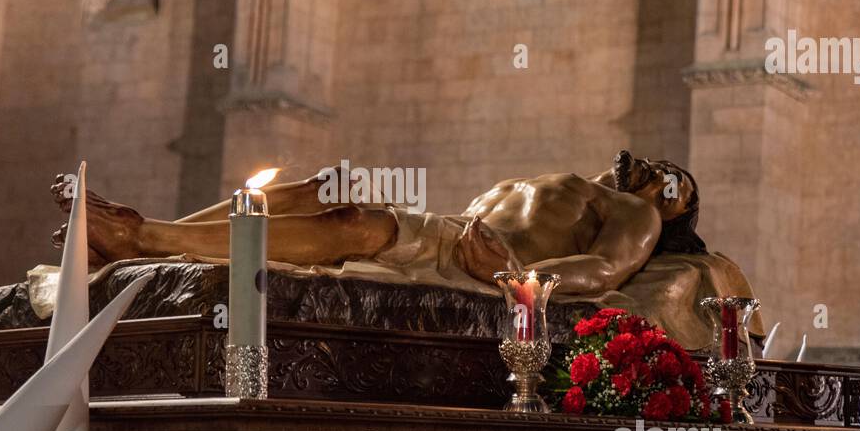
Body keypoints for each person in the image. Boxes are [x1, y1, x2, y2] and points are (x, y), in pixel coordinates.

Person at [51, 149, 704, 296]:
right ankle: (133, 244)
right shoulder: (568, 182)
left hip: (475, 262)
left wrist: (518, 275)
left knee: (355, 222)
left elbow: (603, 268)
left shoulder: (633, 210)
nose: (659, 171)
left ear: (672, 210)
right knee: (305, 197)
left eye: (674, 184)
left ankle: (140, 237)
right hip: (457, 238)